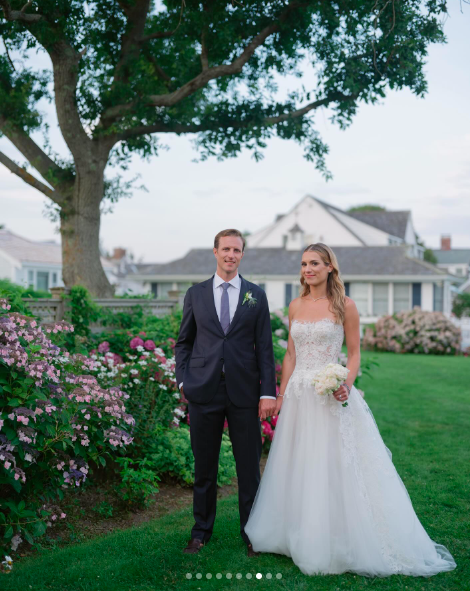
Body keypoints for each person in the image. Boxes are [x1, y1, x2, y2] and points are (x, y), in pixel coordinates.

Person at [244, 243, 456, 577]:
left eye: (314, 263)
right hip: (300, 395)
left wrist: (345, 382)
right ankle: (293, 531)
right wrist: (282, 393)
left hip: (330, 394)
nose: (307, 269)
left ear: (330, 267)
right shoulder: (295, 305)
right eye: (303, 264)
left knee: (335, 462)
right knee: (299, 462)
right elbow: (290, 355)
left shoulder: (345, 305)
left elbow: (354, 353)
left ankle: (340, 535)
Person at [175, 229, 277, 556]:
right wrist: (182, 381)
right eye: (226, 249)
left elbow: (264, 348)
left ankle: (252, 534)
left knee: (249, 469)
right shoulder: (196, 294)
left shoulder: (256, 296)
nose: (231, 254)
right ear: (215, 252)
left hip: (245, 393)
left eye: (237, 250)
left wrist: (267, 393)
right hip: (203, 391)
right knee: (204, 468)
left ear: (242, 255)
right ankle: (201, 531)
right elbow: (184, 343)